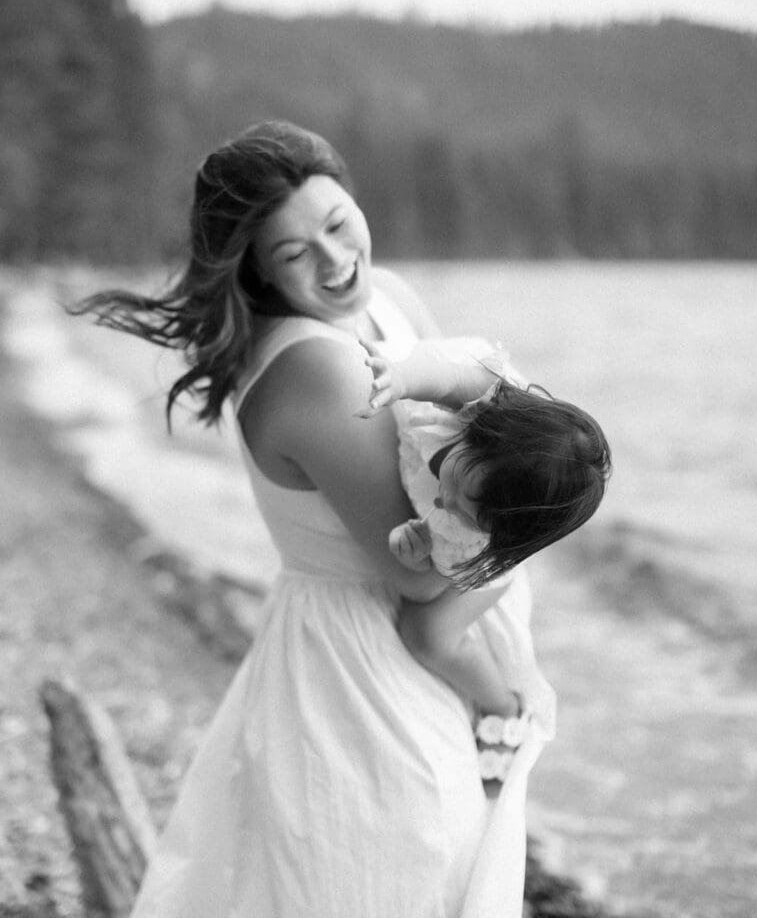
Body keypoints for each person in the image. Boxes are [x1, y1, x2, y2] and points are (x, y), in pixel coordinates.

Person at [71, 120, 542, 918]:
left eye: (335, 222)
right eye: (294, 253)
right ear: (256, 270)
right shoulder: (316, 367)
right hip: (362, 678)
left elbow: (469, 434)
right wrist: (551, 511)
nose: (333, 259)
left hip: (407, 656)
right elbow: (417, 577)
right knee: (398, 879)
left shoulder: (387, 299)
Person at [357, 337, 609, 778]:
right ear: (483, 433)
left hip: (485, 567)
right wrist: (403, 378)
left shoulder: (470, 536)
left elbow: (434, 578)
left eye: (467, 512)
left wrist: (413, 549)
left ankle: (503, 705)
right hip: (483, 468)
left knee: (428, 634)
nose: (445, 502)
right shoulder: (488, 407)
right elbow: (452, 377)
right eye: (456, 482)